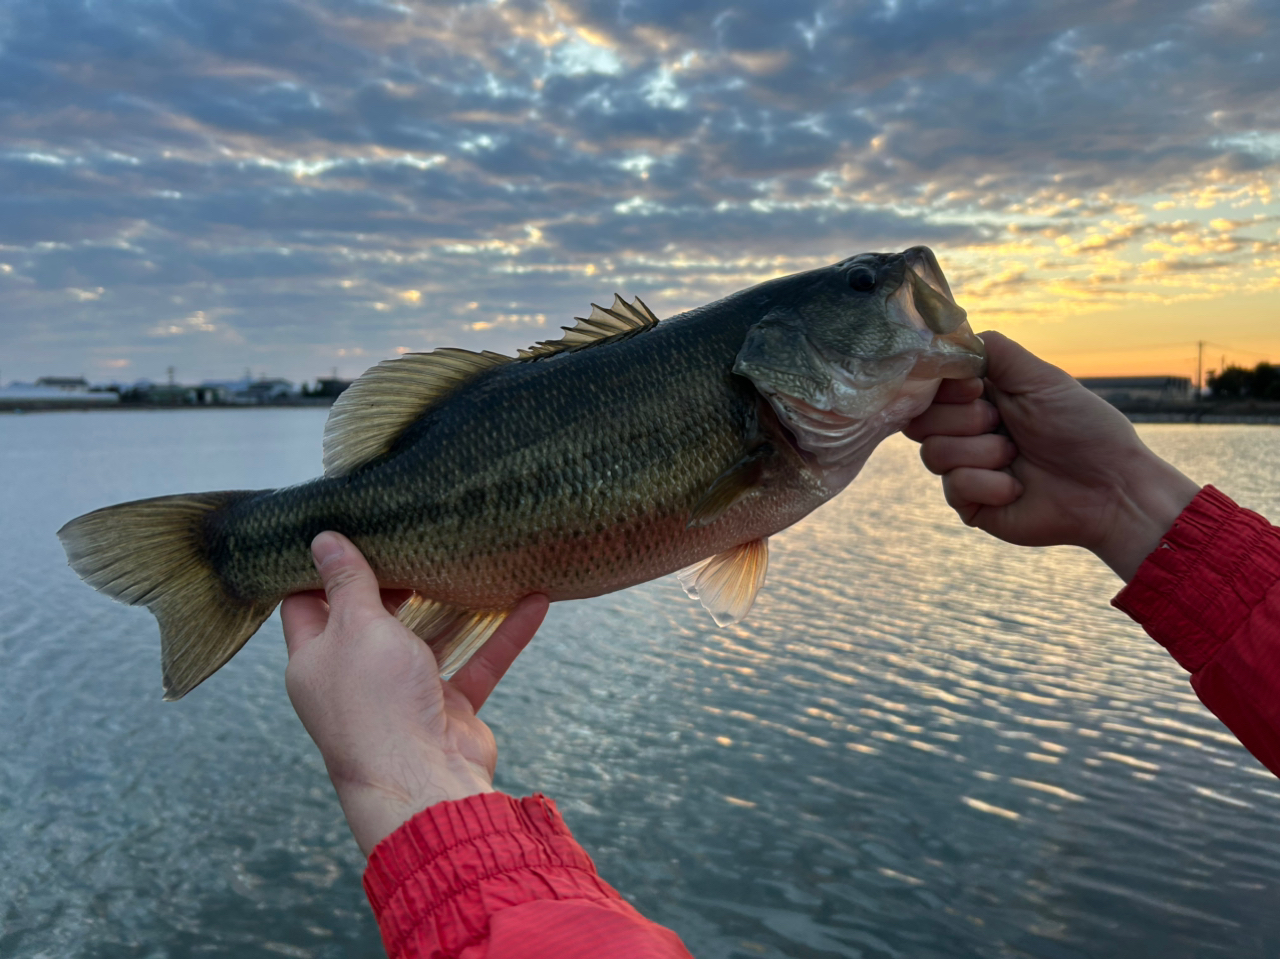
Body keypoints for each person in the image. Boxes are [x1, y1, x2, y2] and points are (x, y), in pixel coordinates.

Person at [281, 331, 1280, 959]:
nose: (888, 288)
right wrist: (1129, 499)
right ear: (770, 356)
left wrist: (399, 778)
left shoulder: (785, 435)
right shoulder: (757, 427)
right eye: (856, 287)